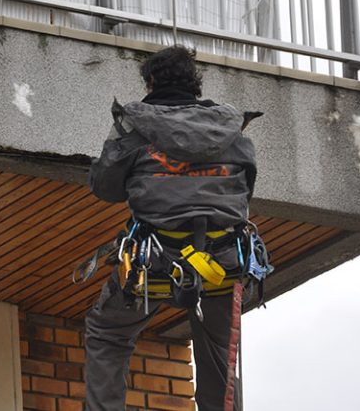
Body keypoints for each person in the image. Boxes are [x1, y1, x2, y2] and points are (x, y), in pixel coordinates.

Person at [84, 46, 259, 411]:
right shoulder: (232, 133)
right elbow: (245, 191)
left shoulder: (134, 130)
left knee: (108, 333)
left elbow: (105, 187)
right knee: (218, 351)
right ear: (195, 85)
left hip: (155, 263)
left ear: (150, 82)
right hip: (223, 264)